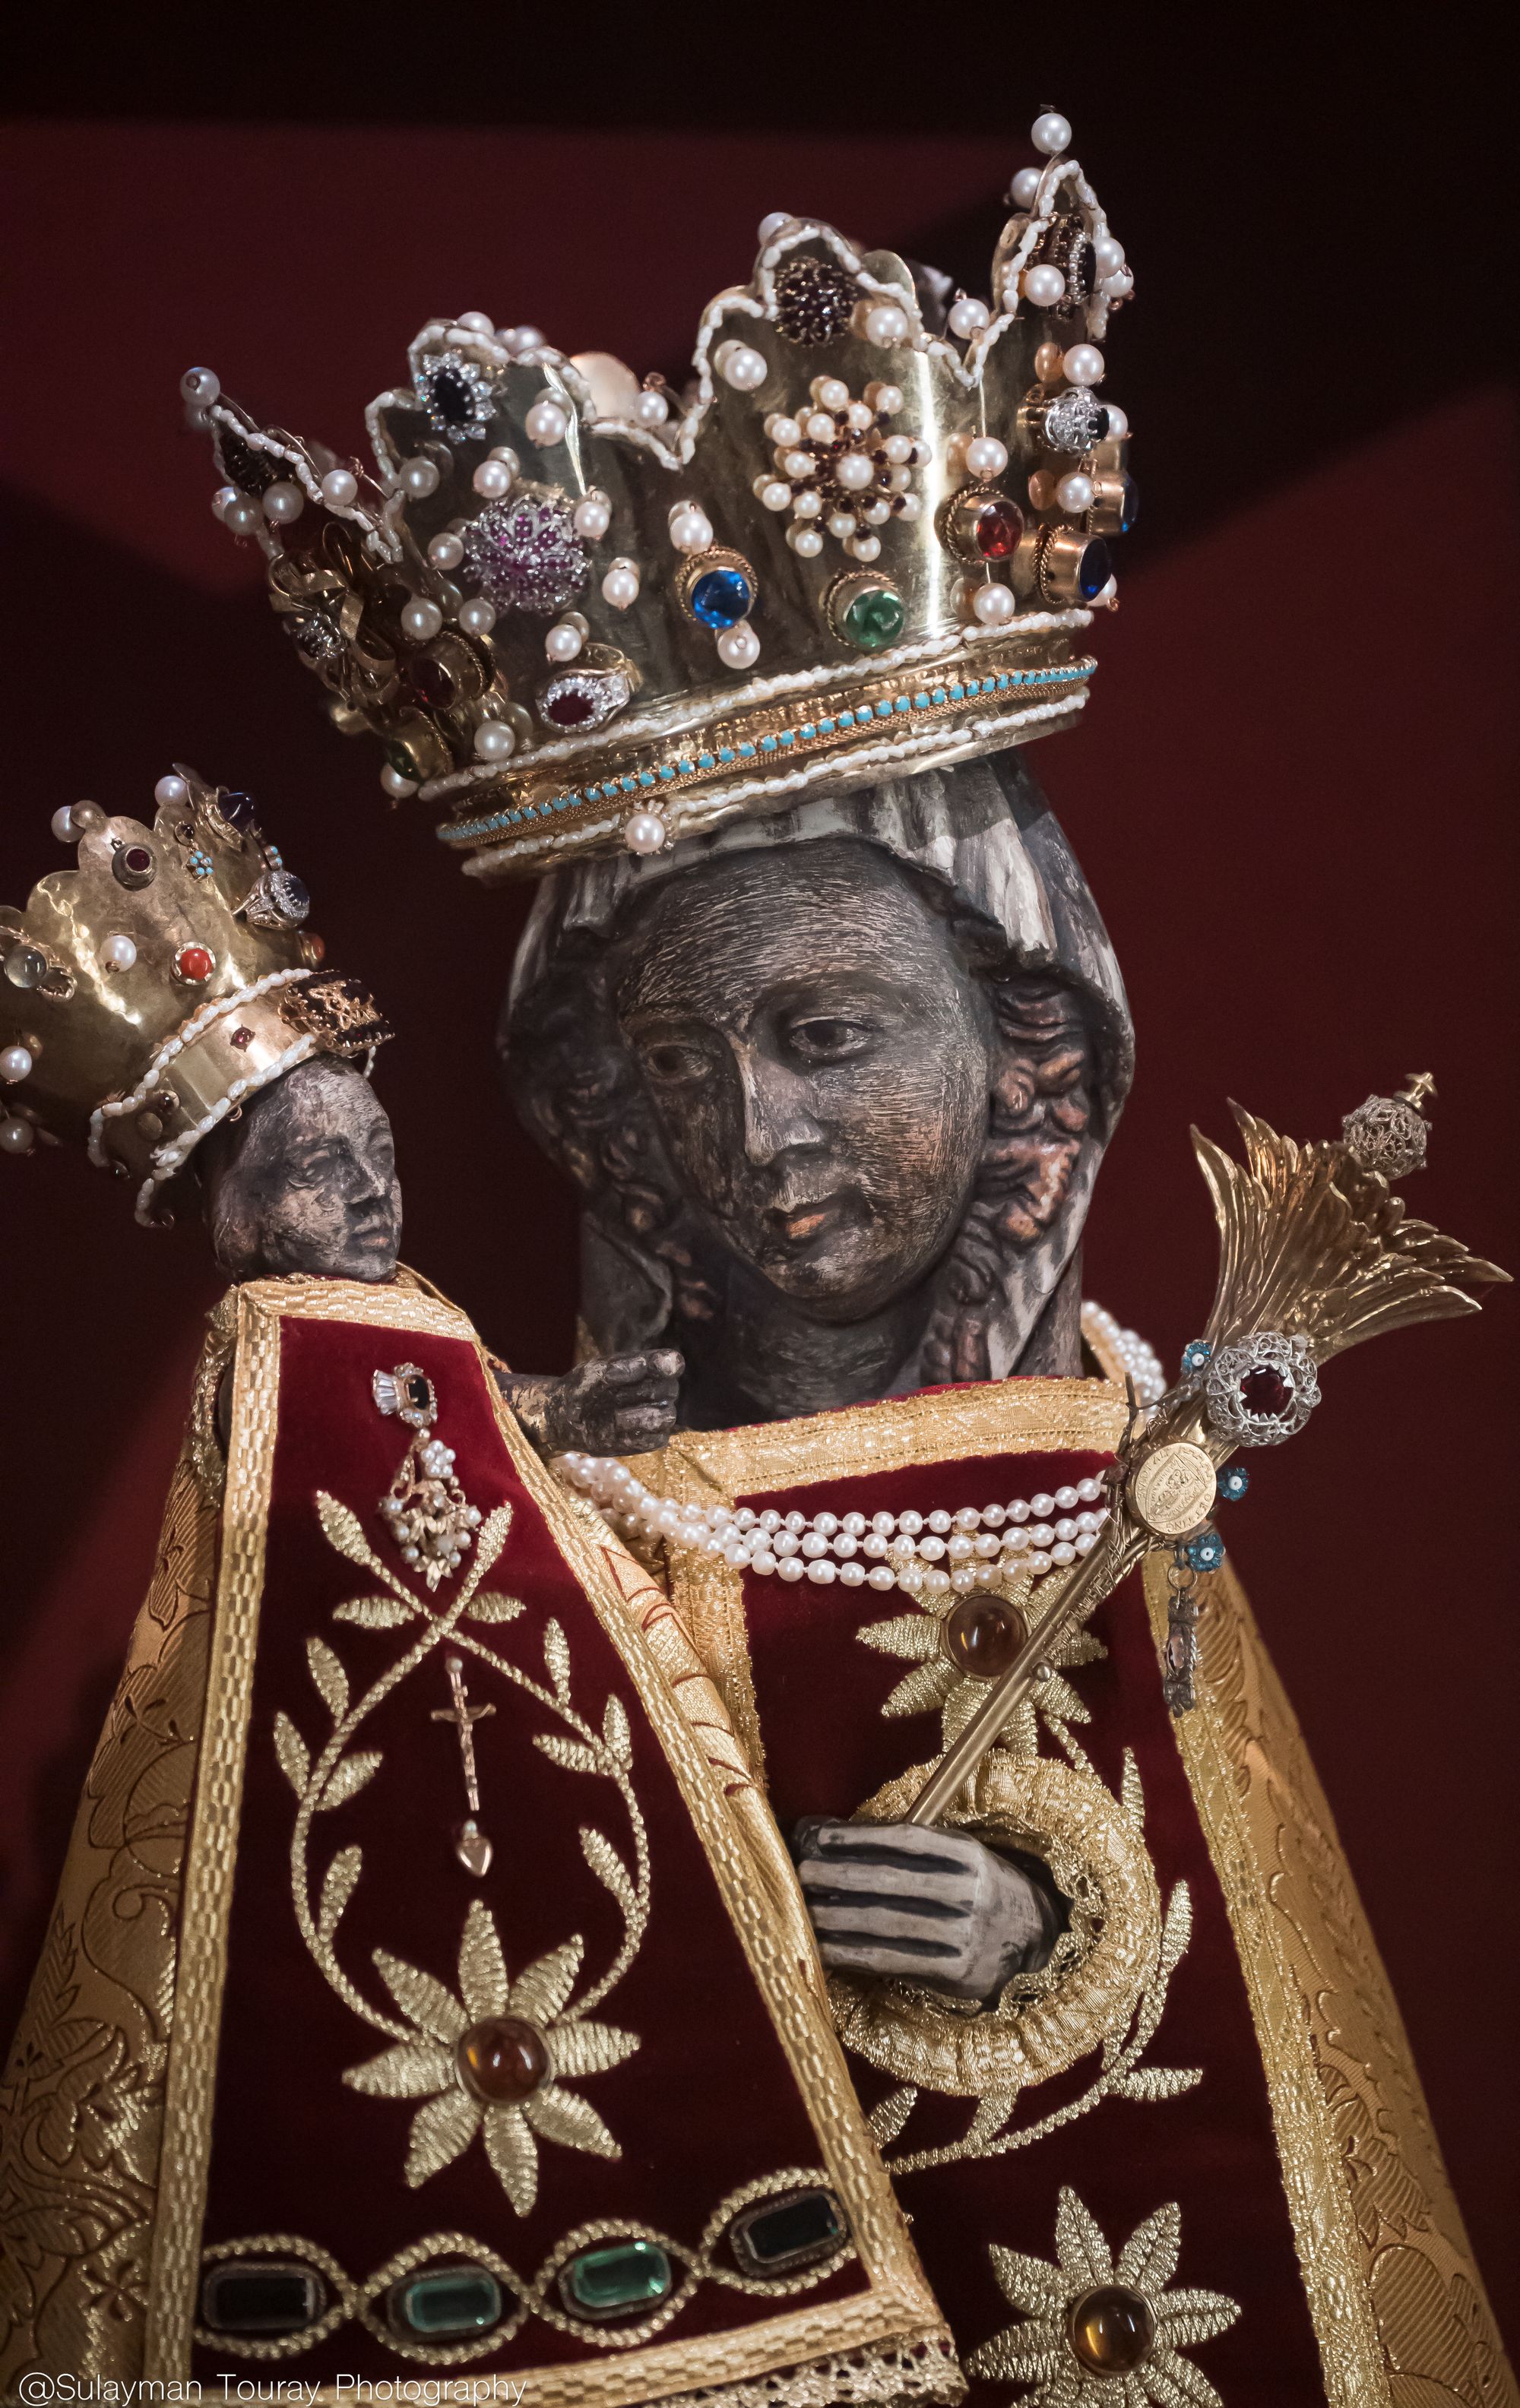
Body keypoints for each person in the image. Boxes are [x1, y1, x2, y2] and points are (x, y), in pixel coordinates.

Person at [192, 108, 1513, 2406]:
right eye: (672, 1071)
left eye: (824, 1037)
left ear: (1027, 1047)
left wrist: (1043, 1915)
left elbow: (1243, 2027)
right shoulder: (535, 1500)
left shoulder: (1120, 1462)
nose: (750, 1141)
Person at [0, 771, 953, 2405]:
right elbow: (353, 1489)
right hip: (356, 1754)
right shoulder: (274, 1350)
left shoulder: (408, 1315)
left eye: (375, 1155)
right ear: (229, 1209)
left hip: (528, 1737)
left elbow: (456, 1423)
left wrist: (562, 1416)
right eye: (319, 1170)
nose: (369, 1195)